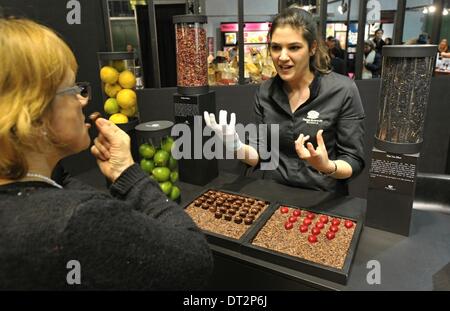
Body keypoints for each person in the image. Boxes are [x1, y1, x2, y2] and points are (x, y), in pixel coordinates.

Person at [0, 17, 213, 290]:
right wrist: (130, 175)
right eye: (73, 89)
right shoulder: (80, 220)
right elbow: (194, 260)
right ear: (34, 111)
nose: (84, 100)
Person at [204, 7, 365, 194]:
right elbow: (260, 154)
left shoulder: (342, 90)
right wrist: (237, 146)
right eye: (276, 47)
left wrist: (328, 166)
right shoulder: (265, 91)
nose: (282, 57)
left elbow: (354, 160)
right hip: (274, 194)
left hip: (322, 199)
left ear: (312, 48)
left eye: (294, 47)